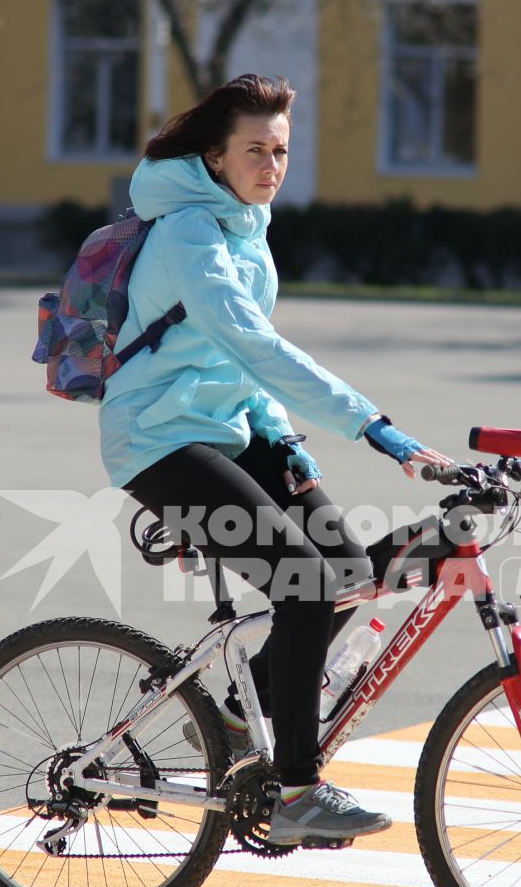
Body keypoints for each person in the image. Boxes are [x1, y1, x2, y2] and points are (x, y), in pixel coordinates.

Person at [104, 73, 455, 844]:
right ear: (215, 157)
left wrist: (288, 443)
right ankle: (298, 788)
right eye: (255, 150)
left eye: (283, 150)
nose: (271, 165)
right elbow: (252, 343)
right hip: (160, 439)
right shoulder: (190, 232)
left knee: (350, 574)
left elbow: (241, 369)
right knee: (305, 581)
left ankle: (238, 713)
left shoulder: (246, 223)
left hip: (232, 426)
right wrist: (374, 426)